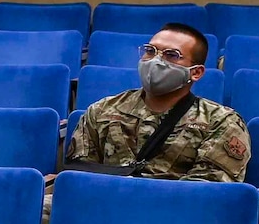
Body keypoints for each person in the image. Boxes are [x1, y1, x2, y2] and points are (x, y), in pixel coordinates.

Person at [67, 23, 249, 181]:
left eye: (172, 55)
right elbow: (80, 174)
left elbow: (209, 190)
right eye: (150, 51)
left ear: (196, 72)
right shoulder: (102, 111)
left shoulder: (221, 122)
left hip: (173, 214)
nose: (155, 60)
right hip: (101, 207)